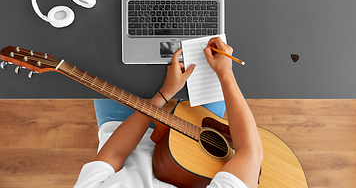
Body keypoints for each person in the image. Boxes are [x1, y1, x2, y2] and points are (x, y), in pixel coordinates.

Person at [74, 37, 263, 188]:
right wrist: (225, 73)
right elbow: (250, 152)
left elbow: (114, 153)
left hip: (122, 128)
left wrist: (162, 95)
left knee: (109, 45)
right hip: (195, 146)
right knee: (208, 44)